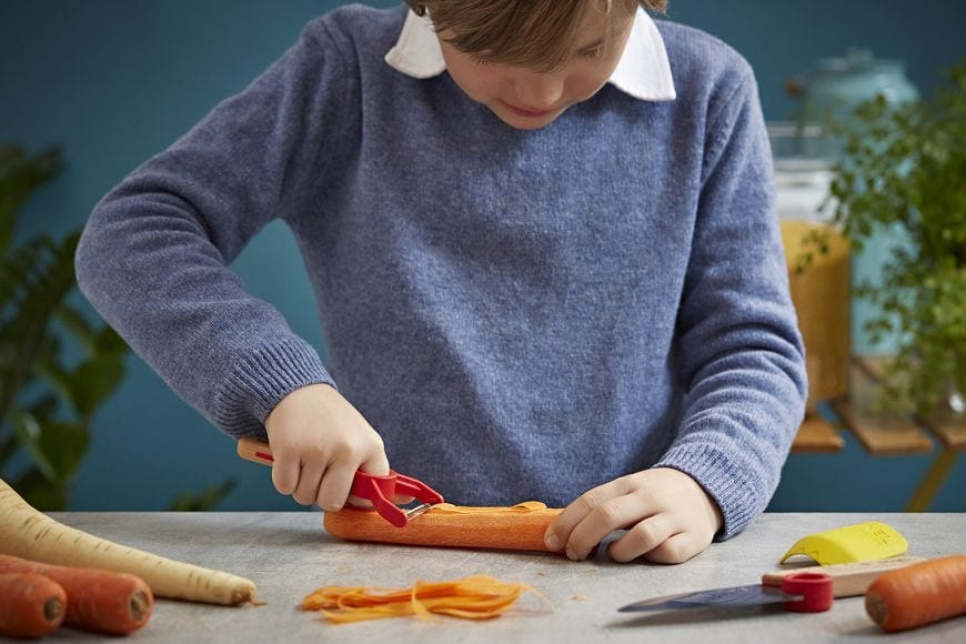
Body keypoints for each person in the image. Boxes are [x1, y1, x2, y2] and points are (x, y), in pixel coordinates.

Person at [75, 0, 806, 565]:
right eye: (494, 52)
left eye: (588, 49)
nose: (543, 89)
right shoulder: (347, 71)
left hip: (627, 564)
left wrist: (704, 481)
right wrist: (282, 386)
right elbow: (133, 231)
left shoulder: (710, 91)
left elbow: (753, 348)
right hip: (391, 567)